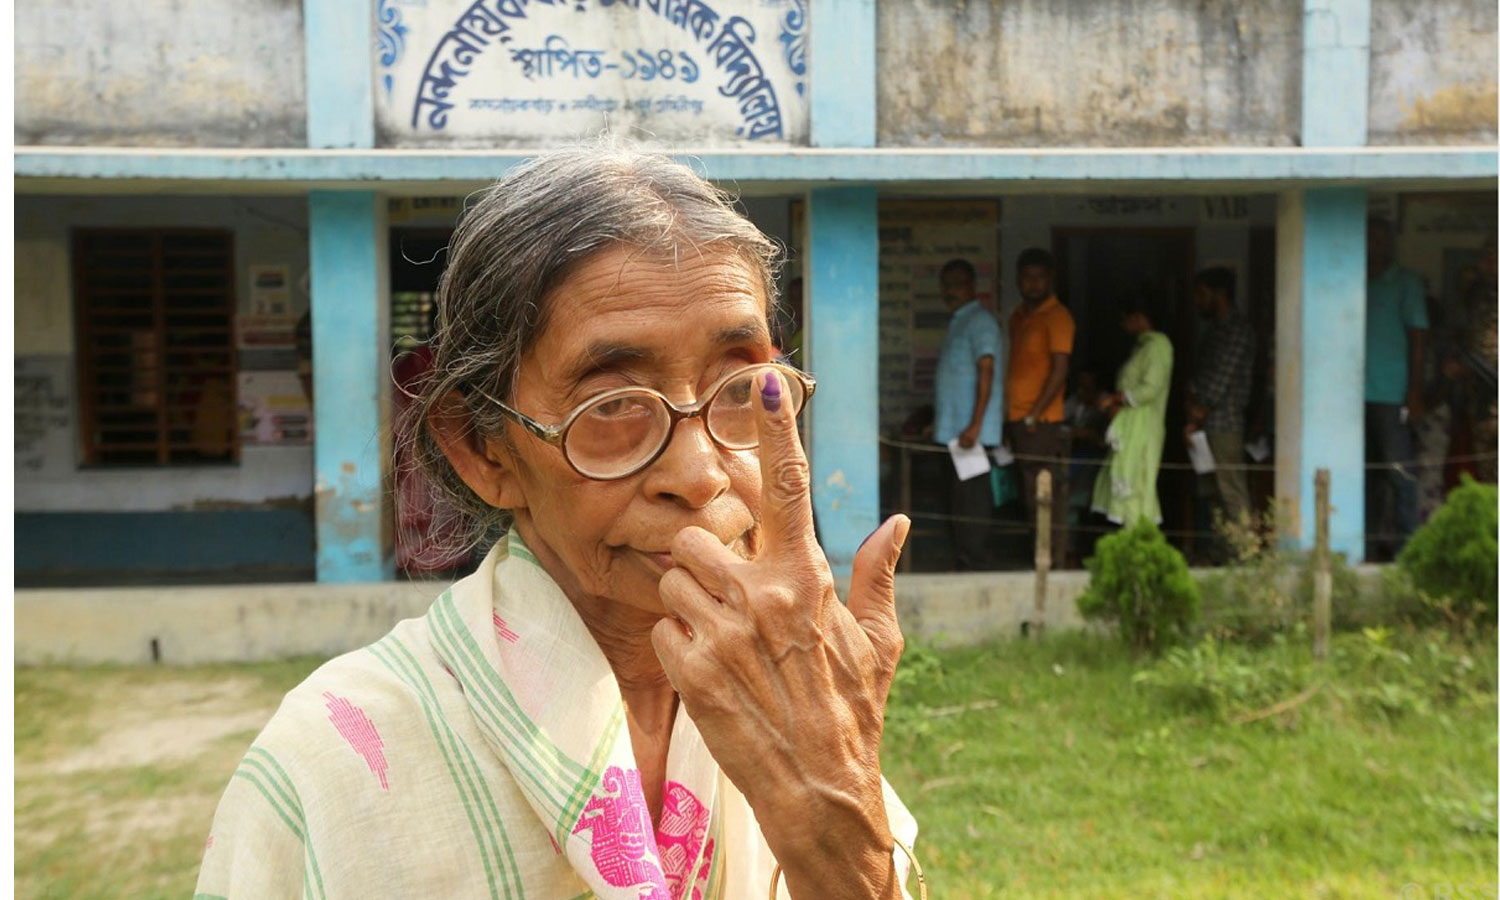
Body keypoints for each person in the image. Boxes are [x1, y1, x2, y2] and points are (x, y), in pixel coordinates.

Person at [197, 147, 921, 899]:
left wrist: (835, 810)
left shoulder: (798, 711)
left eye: (740, 388)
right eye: (611, 406)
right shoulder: (333, 764)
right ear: (483, 450)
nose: (702, 473)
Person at [933, 258, 1004, 570]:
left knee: (972, 501)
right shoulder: (959, 320)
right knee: (955, 500)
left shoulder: (981, 321)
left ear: (972, 286)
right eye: (946, 284)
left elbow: (986, 369)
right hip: (953, 433)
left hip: (971, 435)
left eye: (958, 284)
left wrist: (976, 424)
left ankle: (975, 562)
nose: (951, 290)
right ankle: (962, 558)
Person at [1005, 247, 1074, 568]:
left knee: (1046, 494)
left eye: (1039, 277)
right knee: (1028, 494)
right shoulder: (1018, 316)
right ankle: (1039, 557)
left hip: (1041, 422)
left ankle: (1052, 562)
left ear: (1049, 280)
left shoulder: (1058, 316)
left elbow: (1060, 370)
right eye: (1027, 277)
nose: (1032, 283)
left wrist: (1035, 412)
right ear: (1019, 280)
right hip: (1018, 419)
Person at [1364, 216, 1428, 559]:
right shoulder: (1353, 278)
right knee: (1364, 478)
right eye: (1368, 238)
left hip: (1392, 395)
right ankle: (1366, 551)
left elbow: (1419, 337)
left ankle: (1408, 553)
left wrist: (1414, 392)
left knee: (1399, 474)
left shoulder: (1405, 282)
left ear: (1390, 243)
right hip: (1354, 395)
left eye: (1379, 239)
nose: (1373, 245)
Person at [1183, 266, 1256, 547]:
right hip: (1206, 426)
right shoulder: (1215, 331)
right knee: (1212, 493)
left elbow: (1215, 383)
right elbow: (1197, 380)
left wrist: (1195, 414)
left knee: (1232, 492)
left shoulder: (1236, 331)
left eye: (1202, 294)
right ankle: (1222, 556)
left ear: (1220, 294)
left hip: (1225, 425)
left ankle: (1244, 557)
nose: (1197, 301)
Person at [1091, 301, 1174, 528]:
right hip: (1130, 425)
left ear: (1138, 317)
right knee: (1126, 479)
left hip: (1144, 427)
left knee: (1139, 482)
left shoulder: (1158, 346)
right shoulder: (1142, 347)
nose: (1123, 324)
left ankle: (1140, 540)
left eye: (1125, 318)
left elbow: (1150, 388)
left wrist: (1117, 398)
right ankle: (1130, 539)